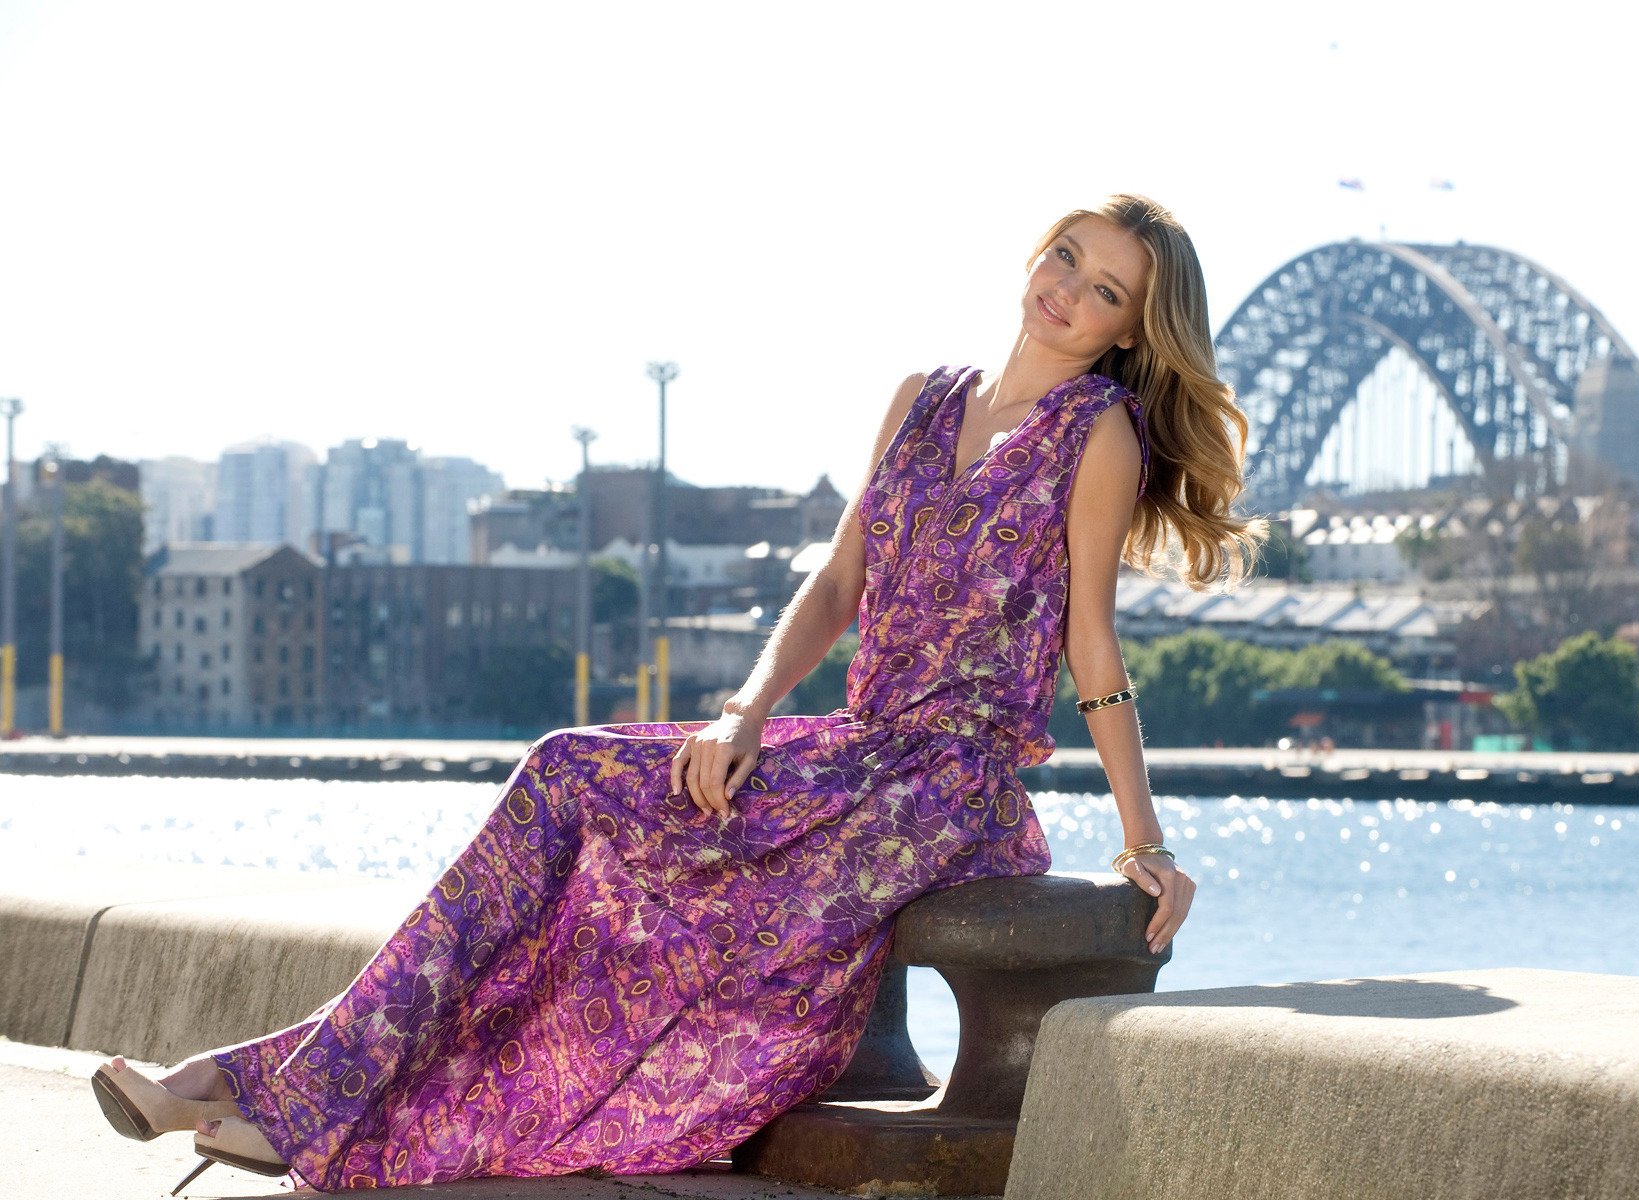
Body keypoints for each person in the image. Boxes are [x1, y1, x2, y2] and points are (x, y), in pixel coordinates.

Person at [89, 193, 1267, 1192]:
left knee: (604, 842)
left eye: (1106, 290)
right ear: (1038, 251)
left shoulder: (1097, 433)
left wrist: (1143, 838)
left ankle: (257, 1095)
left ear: (1127, 334)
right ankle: (259, 1084)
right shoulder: (923, 396)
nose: (1069, 290)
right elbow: (840, 581)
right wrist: (745, 709)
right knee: (564, 774)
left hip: (943, 788)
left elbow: (1094, 646)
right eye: (1068, 256)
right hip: (848, 750)